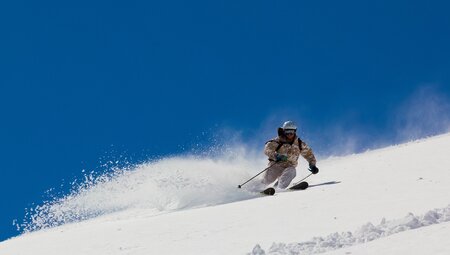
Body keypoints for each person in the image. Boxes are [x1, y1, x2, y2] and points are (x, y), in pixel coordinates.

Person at [263, 120, 319, 189]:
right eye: (287, 132)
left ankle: (280, 188)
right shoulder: (278, 141)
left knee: (292, 171)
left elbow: (309, 154)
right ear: (284, 131)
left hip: (289, 167)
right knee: (266, 181)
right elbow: (267, 149)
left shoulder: (299, 143)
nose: (289, 134)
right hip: (276, 166)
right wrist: (276, 156)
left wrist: (312, 165)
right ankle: (252, 189)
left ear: (295, 131)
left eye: (291, 132)